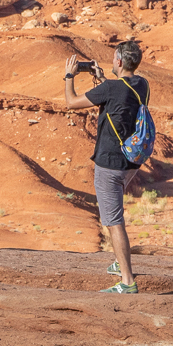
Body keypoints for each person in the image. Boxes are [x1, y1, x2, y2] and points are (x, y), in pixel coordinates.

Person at [63, 40, 150, 294]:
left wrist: (69, 74)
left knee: (113, 221)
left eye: (114, 59)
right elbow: (118, 97)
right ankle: (119, 262)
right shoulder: (142, 84)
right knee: (115, 213)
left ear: (120, 62)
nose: (112, 62)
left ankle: (127, 281)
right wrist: (102, 78)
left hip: (110, 163)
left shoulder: (111, 88)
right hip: (130, 160)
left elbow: (71, 102)